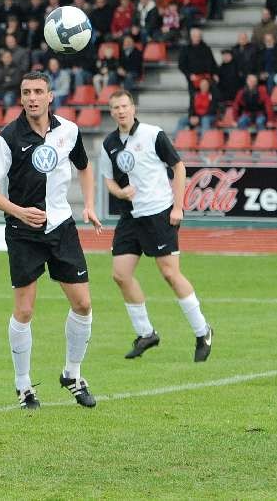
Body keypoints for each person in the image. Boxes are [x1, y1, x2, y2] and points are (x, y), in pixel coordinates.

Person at [0, 71, 102, 411]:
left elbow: (84, 166)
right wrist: (18, 211)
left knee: (83, 305)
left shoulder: (69, 131)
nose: (32, 97)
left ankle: (73, 374)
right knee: (25, 309)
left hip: (61, 227)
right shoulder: (6, 138)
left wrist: (89, 204)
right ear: (21, 98)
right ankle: (23, 386)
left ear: (50, 96)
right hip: (23, 233)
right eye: (26, 92)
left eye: (38, 91)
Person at [102, 90, 213, 362]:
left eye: (124, 106)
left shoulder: (153, 134)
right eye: (115, 107)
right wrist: (120, 193)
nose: (121, 111)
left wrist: (178, 206)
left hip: (158, 212)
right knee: (120, 274)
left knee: (170, 275)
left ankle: (203, 331)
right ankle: (146, 333)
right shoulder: (110, 142)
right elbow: (108, 180)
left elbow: (179, 167)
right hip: (130, 217)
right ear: (111, 112)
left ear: (133, 108)